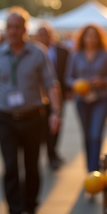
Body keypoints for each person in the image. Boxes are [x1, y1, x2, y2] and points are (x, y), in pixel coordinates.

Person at [0, 7, 62, 214]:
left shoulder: (38, 52)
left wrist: (55, 111)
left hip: (34, 117)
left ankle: (31, 208)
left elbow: (50, 83)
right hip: (5, 119)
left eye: (17, 27)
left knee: (32, 166)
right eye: (9, 27)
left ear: (25, 29)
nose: (12, 31)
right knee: (11, 167)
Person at [65, 24, 107, 172]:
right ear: (83, 37)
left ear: (99, 38)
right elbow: (68, 77)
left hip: (100, 99)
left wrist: (102, 81)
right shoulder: (75, 55)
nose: (91, 39)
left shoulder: (106, 54)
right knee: (87, 135)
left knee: (95, 134)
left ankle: (94, 170)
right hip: (81, 100)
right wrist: (76, 84)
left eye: (94, 36)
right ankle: (89, 168)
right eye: (88, 35)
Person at [36, 24, 69, 170]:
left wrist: (68, 90)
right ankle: (47, 153)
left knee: (56, 124)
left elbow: (67, 72)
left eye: (46, 33)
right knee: (42, 127)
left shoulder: (63, 51)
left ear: (51, 35)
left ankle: (52, 153)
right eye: (40, 34)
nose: (43, 37)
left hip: (58, 94)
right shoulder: (34, 52)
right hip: (39, 97)